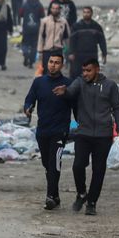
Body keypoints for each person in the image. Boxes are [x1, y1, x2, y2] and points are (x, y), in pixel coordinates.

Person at [53, 59, 119, 215]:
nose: (85, 74)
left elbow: (117, 107)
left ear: (97, 70)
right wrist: (65, 91)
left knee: (98, 170)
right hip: (83, 133)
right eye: (83, 70)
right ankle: (81, 193)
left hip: (103, 135)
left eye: (88, 71)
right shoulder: (80, 82)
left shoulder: (109, 86)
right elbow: (71, 91)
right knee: (78, 166)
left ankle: (91, 203)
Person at [23, 54, 73, 210]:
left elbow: (76, 104)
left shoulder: (68, 84)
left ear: (62, 65)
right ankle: (56, 195)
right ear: (47, 64)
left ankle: (50, 196)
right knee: (47, 164)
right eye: (51, 62)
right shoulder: (39, 82)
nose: (53, 65)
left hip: (60, 131)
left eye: (57, 63)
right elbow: (29, 98)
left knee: (54, 164)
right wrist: (28, 107)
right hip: (43, 131)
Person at [69, 6, 107, 80]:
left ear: (91, 13)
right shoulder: (76, 26)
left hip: (92, 54)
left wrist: (104, 54)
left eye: (88, 12)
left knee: (91, 74)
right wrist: (71, 53)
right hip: (78, 54)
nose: (86, 14)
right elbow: (72, 40)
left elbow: (102, 41)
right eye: (84, 12)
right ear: (82, 14)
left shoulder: (96, 26)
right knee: (76, 74)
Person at [37, 2, 71, 70]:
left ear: (59, 10)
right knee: (46, 71)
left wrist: (68, 52)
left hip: (58, 50)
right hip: (47, 51)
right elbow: (41, 37)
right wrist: (40, 51)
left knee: (56, 71)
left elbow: (67, 38)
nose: (55, 10)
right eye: (53, 8)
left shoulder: (63, 22)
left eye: (57, 8)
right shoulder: (45, 21)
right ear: (50, 9)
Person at [19, 0, 45, 68]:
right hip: (36, 28)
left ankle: (26, 54)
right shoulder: (39, 4)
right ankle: (31, 61)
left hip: (26, 27)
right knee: (34, 45)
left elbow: (20, 14)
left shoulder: (25, 4)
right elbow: (42, 15)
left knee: (25, 43)